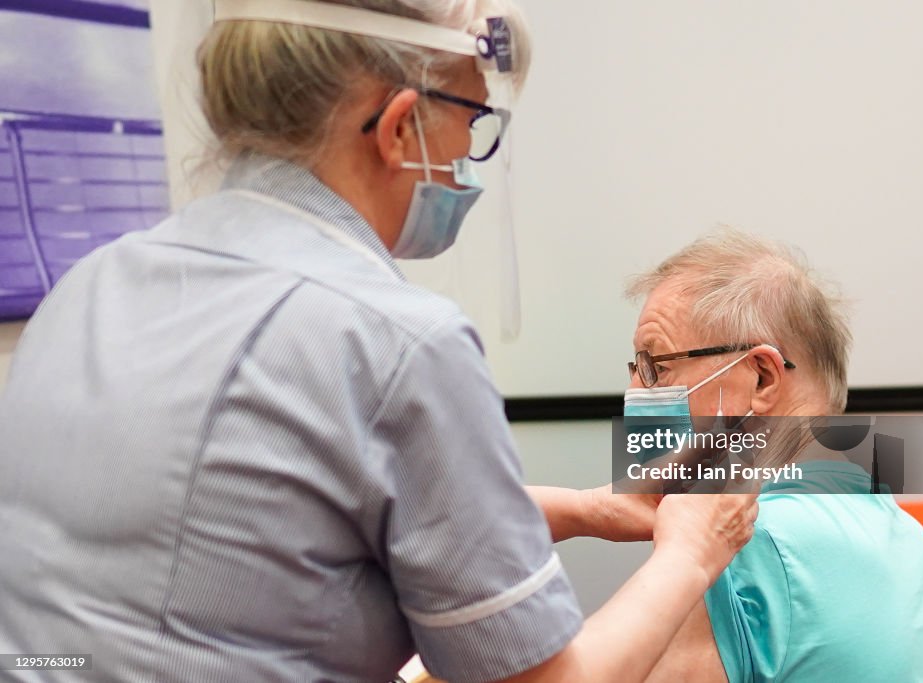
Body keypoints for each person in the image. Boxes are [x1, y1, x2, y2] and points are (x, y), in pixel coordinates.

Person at [0, 2, 758, 682]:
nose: (468, 161)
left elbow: (300, 514)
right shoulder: (396, 341)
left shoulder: (92, 282)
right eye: (470, 126)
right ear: (398, 127)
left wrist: (590, 509)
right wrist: (694, 551)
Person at [623, 229, 923, 682]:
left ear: (763, 378)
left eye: (657, 367)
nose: (635, 391)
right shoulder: (909, 538)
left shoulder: (735, 546)